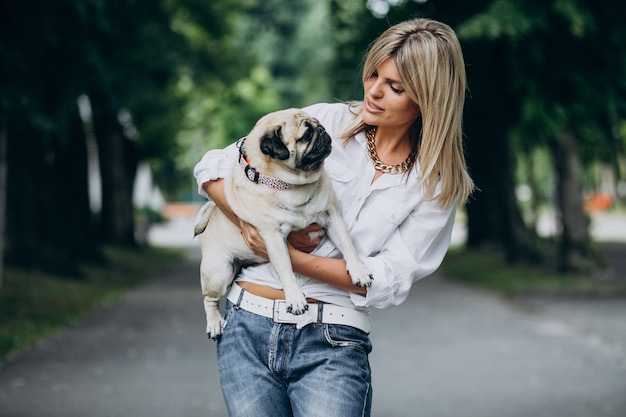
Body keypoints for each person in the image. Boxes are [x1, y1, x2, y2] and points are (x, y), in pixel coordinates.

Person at [193, 17, 473, 417]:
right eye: (373, 73)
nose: (374, 91)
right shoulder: (325, 120)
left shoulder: (434, 183)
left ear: (428, 99)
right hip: (246, 327)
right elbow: (214, 165)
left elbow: (389, 279)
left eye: (395, 87)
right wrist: (251, 223)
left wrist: (289, 253)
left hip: (333, 340)